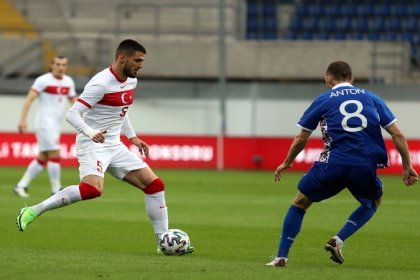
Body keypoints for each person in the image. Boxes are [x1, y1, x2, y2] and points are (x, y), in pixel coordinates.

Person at [15, 39, 194, 254]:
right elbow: (73, 114)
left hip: (115, 145)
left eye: (142, 61)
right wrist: (91, 133)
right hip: (92, 143)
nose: (141, 65)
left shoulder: (131, 81)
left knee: (155, 186)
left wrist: (133, 138)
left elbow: (122, 111)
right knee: (92, 190)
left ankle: (163, 241)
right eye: (137, 60)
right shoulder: (101, 83)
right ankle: (33, 211)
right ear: (122, 58)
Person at [265, 61, 418, 267]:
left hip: (333, 164)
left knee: (300, 202)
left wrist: (287, 162)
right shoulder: (372, 98)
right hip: (365, 165)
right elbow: (397, 134)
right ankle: (338, 239)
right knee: (373, 202)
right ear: (352, 79)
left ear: (328, 78)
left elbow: (302, 138)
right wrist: (407, 166)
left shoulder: (324, 99)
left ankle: (281, 257)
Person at [13, 56, 77, 198]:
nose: (61, 67)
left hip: (55, 124)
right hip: (44, 122)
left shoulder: (68, 81)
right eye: (58, 64)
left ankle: (21, 185)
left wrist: (83, 115)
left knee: (43, 157)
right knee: (55, 154)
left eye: (64, 64)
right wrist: (22, 120)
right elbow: (29, 99)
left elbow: (73, 100)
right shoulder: (43, 80)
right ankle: (56, 189)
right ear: (52, 65)